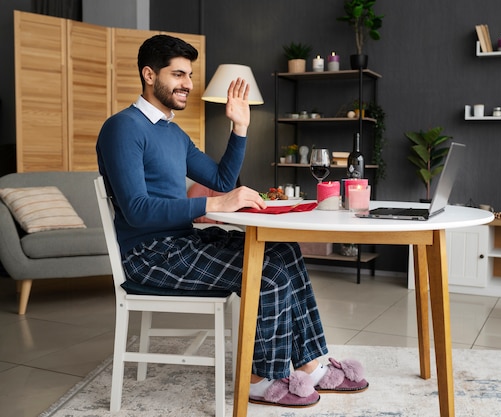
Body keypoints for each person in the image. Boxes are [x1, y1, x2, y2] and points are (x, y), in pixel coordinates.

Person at [96, 34, 368, 408]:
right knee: (268, 272)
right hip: (150, 255)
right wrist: (216, 204)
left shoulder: (172, 133)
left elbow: (222, 181)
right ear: (148, 74)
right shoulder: (123, 128)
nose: (188, 84)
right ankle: (261, 379)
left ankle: (311, 365)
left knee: (283, 249)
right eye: (178, 74)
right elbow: (137, 210)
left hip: (183, 243)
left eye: (189, 75)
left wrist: (240, 127)